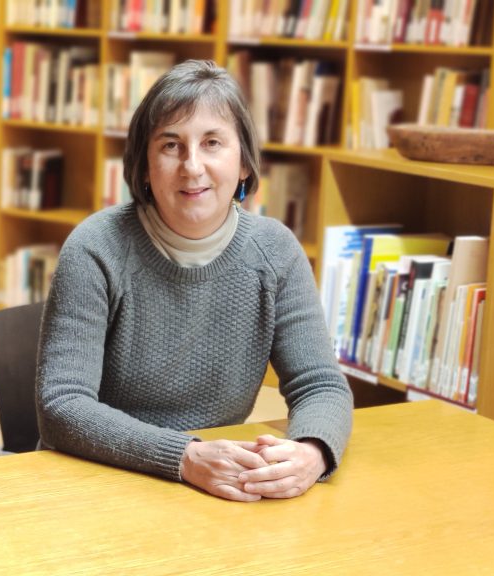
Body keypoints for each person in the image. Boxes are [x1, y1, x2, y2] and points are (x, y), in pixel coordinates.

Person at [35, 59, 353, 502]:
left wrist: (311, 451)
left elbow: (320, 383)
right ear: (144, 165)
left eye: (212, 143)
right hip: (95, 484)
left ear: (243, 163)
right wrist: (183, 456)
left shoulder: (275, 251)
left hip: (213, 488)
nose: (192, 166)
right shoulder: (96, 247)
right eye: (171, 145)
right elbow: (62, 406)